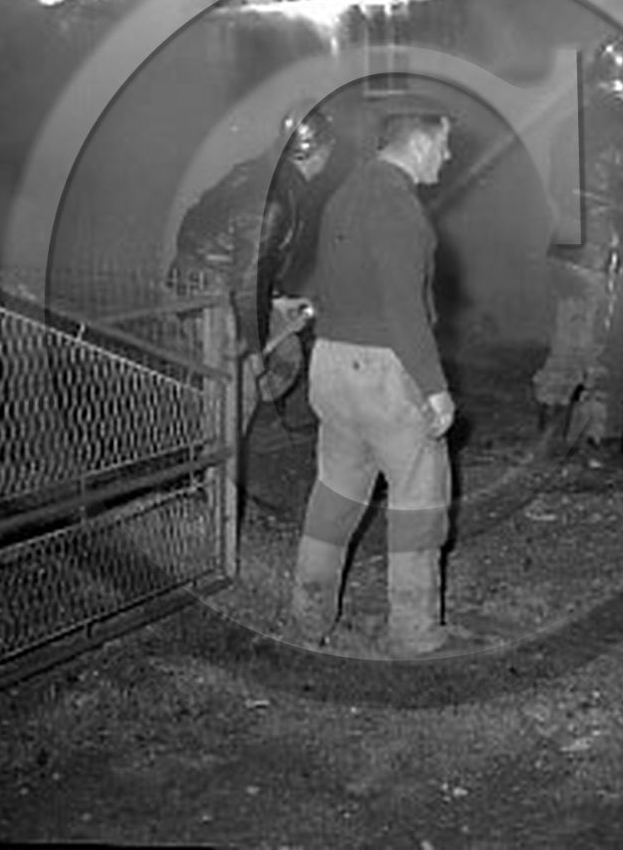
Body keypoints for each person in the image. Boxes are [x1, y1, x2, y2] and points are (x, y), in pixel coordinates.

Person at [286, 104, 462, 658]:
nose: (448, 156)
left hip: (332, 362)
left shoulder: (345, 194)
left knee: (336, 492)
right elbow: (403, 307)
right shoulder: (397, 206)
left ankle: (308, 616)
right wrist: (434, 386)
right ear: (417, 144)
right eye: (443, 144)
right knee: (418, 497)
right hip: (384, 370)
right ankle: (413, 631)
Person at [169, 101, 337, 427]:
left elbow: (243, 251)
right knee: (234, 397)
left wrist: (277, 300)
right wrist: (253, 346)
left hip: (199, 285)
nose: (329, 159)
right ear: (318, 152)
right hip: (214, 297)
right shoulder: (278, 197)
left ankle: (209, 461)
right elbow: (249, 278)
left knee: (257, 364)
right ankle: (213, 472)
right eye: (329, 150)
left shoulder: (258, 171)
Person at [533, 34, 623, 472]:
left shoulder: (570, 124)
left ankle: (548, 444)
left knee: (567, 346)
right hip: (606, 253)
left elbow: (556, 186)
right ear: (621, 83)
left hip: (566, 245)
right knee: (613, 356)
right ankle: (602, 453)